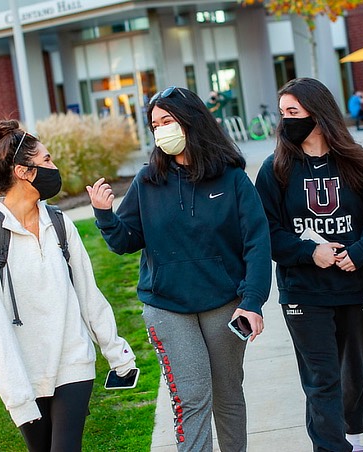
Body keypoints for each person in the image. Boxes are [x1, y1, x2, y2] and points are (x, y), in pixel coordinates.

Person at [87, 86, 272, 452]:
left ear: (190, 122)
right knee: (191, 397)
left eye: (167, 121)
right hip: (167, 305)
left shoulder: (231, 178)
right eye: (154, 124)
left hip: (224, 303)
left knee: (228, 393)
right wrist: (105, 216)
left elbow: (257, 242)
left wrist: (252, 301)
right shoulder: (148, 180)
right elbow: (125, 241)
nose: (160, 131)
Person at [0, 119, 137, 452]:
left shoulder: (59, 223)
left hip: (73, 361)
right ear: (23, 171)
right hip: (26, 374)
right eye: (46, 161)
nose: (53, 167)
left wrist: (117, 354)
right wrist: (17, 395)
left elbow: (88, 293)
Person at [255, 78, 363, 452]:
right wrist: (311, 253)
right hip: (304, 292)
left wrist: (357, 253)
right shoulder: (275, 169)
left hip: (353, 286)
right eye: (282, 114)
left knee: (351, 373)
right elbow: (269, 233)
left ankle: (351, 437)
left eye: (293, 112)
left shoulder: (359, 163)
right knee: (321, 377)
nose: (285, 121)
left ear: (318, 112)